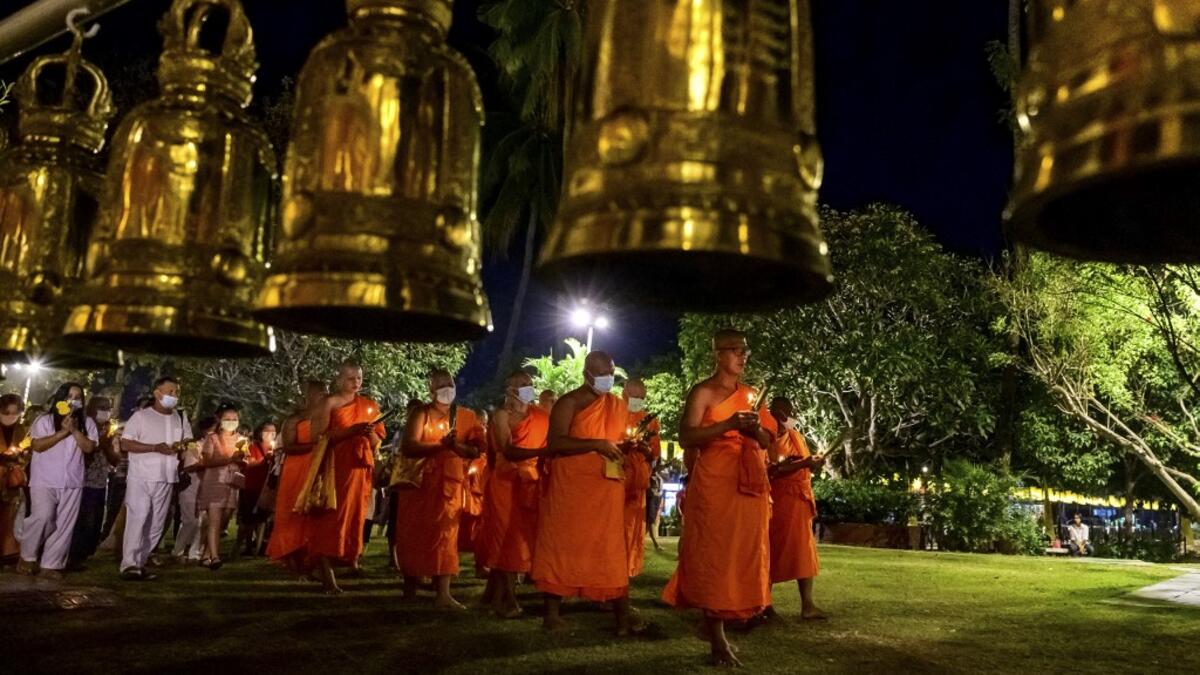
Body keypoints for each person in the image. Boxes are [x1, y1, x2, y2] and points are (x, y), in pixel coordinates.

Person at [662, 329, 774, 667]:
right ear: (718, 354)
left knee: (742, 552)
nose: (743, 357)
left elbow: (769, 440)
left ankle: (720, 625)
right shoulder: (704, 392)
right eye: (735, 350)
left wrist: (753, 428)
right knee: (716, 552)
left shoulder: (751, 394)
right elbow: (686, 435)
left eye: (745, 350)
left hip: (748, 482)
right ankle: (716, 635)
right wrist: (726, 425)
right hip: (715, 481)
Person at [533, 351, 645, 635]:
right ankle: (552, 614)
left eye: (611, 371)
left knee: (609, 550)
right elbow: (556, 443)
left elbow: (615, 441)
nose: (608, 378)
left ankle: (621, 618)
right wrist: (596, 444)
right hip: (572, 488)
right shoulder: (568, 402)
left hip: (607, 488)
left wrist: (630, 446)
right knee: (563, 546)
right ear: (587, 374)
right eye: (602, 373)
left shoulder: (616, 405)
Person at [396, 369, 485, 608]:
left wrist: (455, 446)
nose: (447, 388)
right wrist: (439, 446)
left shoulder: (466, 416)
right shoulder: (421, 413)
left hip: (449, 485)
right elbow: (409, 446)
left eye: (450, 383)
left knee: (446, 536)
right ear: (430, 388)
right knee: (414, 533)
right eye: (441, 384)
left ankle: (443, 592)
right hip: (420, 485)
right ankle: (411, 585)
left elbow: (477, 450)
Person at [304, 360, 385, 595]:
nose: (355, 383)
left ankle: (347, 560)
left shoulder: (368, 406)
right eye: (350, 378)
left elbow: (376, 441)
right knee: (331, 517)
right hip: (334, 469)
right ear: (339, 379)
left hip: (359, 470)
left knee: (355, 517)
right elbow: (316, 436)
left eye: (359, 378)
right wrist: (349, 432)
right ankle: (324, 570)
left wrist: (368, 434)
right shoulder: (330, 403)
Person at [479, 370, 549, 618]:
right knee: (506, 539)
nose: (528, 388)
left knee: (521, 540)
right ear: (509, 389)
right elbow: (507, 451)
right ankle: (508, 599)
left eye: (530, 384)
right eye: (522, 385)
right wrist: (541, 453)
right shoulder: (501, 416)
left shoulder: (540, 417)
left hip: (530, 484)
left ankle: (494, 596)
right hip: (505, 483)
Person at [18, 382, 98, 579]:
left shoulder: (87, 423)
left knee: (64, 524)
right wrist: (62, 432)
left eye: (78, 397)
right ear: (61, 398)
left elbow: (89, 448)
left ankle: (51, 564)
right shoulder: (44, 420)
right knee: (43, 517)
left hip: (72, 481)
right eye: (69, 396)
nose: (73, 400)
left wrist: (74, 431)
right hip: (45, 479)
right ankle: (27, 556)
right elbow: (38, 446)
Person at [120, 377, 192, 581]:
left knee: (157, 523)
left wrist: (184, 446)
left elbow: (187, 440)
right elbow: (126, 444)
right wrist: (154, 447)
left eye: (176, 392)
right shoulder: (141, 417)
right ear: (157, 393)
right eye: (170, 392)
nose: (174, 396)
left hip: (167, 476)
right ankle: (129, 564)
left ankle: (140, 562)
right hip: (141, 476)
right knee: (138, 517)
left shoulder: (179, 417)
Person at [764, 396, 826, 620]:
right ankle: (764, 603)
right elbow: (773, 470)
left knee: (805, 552)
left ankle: (807, 604)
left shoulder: (795, 435)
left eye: (789, 411)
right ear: (775, 412)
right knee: (771, 550)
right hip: (780, 500)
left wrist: (814, 463)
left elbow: (804, 463)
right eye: (784, 412)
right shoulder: (767, 435)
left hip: (799, 499)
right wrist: (804, 463)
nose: (788, 416)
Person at [267, 379, 327, 577]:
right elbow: (289, 446)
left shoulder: (325, 419)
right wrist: (314, 446)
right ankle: (291, 559)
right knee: (291, 514)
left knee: (310, 516)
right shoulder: (294, 420)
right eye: (319, 393)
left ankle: (309, 561)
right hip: (295, 470)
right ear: (308, 396)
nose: (323, 397)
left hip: (316, 468)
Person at [67, 396, 120, 570]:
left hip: (100, 482)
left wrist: (106, 444)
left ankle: (85, 553)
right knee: (83, 520)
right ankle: (74, 555)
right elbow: (85, 453)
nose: (106, 411)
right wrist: (100, 443)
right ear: (91, 408)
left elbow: (115, 460)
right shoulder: (85, 426)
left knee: (95, 521)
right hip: (83, 481)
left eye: (108, 407)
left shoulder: (108, 430)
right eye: (101, 407)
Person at [197, 404, 247, 569]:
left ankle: (206, 552)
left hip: (232, 483)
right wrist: (229, 459)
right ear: (220, 420)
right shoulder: (212, 438)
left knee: (225, 517)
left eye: (234, 419)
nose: (231, 422)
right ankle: (215, 557)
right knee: (215, 519)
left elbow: (246, 460)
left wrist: (242, 460)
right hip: (214, 481)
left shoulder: (241, 439)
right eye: (227, 419)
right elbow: (207, 461)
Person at [621, 378, 661, 579]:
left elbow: (655, 454)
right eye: (634, 396)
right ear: (624, 393)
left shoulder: (650, 421)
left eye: (641, 397)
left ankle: (625, 577)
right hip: (615, 480)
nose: (638, 400)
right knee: (614, 532)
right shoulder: (613, 414)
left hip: (637, 486)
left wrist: (645, 450)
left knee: (632, 533)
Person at [173, 416, 216, 564]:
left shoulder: (217, 446)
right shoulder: (194, 445)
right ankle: (178, 551)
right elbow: (189, 465)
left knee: (203, 522)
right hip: (191, 486)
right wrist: (208, 463)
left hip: (208, 487)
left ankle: (194, 553)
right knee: (190, 520)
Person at [237, 421, 276, 557]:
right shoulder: (253, 447)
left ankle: (259, 547)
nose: (270, 434)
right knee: (248, 519)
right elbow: (249, 464)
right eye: (267, 431)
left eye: (273, 431)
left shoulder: (275, 449)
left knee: (262, 519)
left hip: (265, 488)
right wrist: (265, 460)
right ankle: (245, 545)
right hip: (252, 486)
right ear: (260, 432)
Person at [0, 393, 28, 566]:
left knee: (9, 515)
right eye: (7, 412)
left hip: (11, 479)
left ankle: (7, 551)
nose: (11, 417)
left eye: (15, 413)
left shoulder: (20, 429)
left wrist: (19, 454)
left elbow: (25, 451)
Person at [646, 464, 664, 552]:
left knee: (650, 521)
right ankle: (656, 544)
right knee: (651, 520)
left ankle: (641, 542)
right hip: (652, 498)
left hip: (657, 498)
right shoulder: (649, 475)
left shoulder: (658, 476)